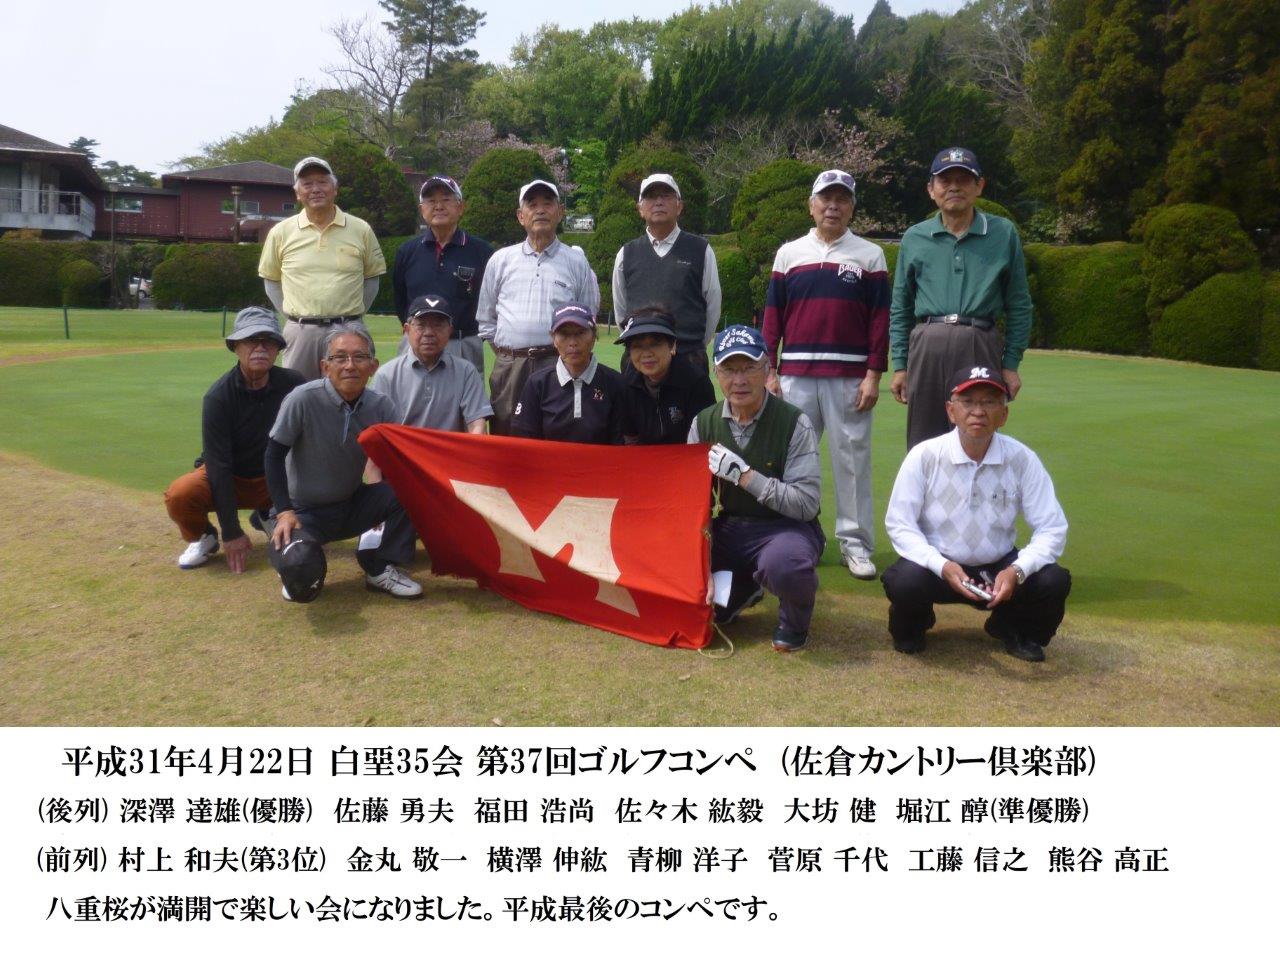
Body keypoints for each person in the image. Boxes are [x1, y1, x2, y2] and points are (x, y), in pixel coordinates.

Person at [881, 366, 1071, 662]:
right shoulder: (924, 455)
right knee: (904, 581)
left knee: (1054, 580)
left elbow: (1052, 527)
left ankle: (1012, 628)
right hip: (939, 567)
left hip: (999, 569)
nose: (978, 411)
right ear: (951, 411)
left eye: (989, 402)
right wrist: (941, 565)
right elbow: (899, 523)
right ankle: (915, 625)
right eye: (967, 402)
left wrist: (1017, 570)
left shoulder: (1022, 459)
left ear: (1003, 415)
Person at [763, 169, 890, 580]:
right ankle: (793, 538)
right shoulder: (789, 253)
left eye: (842, 199)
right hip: (795, 374)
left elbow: (880, 320)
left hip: (849, 376)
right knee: (792, 461)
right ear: (811, 205)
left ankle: (856, 545)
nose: (833, 206)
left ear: (852, 207)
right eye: (826, 199)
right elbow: (773, 316)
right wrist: (769, 370)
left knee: (852, 461)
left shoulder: (870, 255)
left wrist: (873, 374)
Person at [688, 325, 825, 653]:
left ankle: (794, 623)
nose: (739, 380)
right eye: (729, 369)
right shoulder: (703, 423)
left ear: (766, 369)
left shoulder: (794, 422)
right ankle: (745, 589)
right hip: (732, 527)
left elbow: (806, 503)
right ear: (716, 373)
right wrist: (698, 561)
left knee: (785, 566)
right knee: (702, 599)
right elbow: (691, 502)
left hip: (787, 528)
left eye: (749, 367)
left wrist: (746, 476)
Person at [888, 147, 1033, 448]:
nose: (954, 187)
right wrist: (900, 365)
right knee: (924, 442)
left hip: (979, 340)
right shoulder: (915, 237)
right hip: (927, 343)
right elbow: (901, 306)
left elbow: (1019, 304)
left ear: (979, 186)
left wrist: (1011, 363)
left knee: (977, 433)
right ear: (931, 189)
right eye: (945, 180)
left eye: (964, 180)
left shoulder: (1003, 233)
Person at [264, 328, 422, 601]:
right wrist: (285, 512)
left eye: (359, 357)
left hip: (350, 503)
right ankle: (298, 558)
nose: (350, 365)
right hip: (302, 512)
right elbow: (273, 455)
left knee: (411, 492)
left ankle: (378, 567)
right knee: (301, 572)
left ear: (373, 367)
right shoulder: (302, 398)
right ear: (325, 366)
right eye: (340, 357)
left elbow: (402, 455)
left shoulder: (380, 406)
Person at [164, 307, 305, 571]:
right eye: (251, 340)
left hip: (278, 478)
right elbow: (219, 466)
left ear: (278, 348)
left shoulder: (294, 384)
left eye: (268, 341)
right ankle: (204, 536)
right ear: (235, 346)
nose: (260, 348)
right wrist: (231, 531)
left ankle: (269, 513)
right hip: (231, 477)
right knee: (180, 494)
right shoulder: (218, 397)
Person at [476, 179, 600, 434]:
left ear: (560, 212)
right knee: (507, 434)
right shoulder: (500, 260)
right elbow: (486, 320)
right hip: (511, 365)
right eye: (532, 205)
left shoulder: (576, 262)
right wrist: (509, 353)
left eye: (548, 203)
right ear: (520, 216)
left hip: (558, 363)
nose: (540, 210)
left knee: (557, 435)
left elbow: (588, 316)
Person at [258, 156, 386, 381]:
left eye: (322, 182)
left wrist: (352, 317)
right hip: (301, 333)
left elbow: (372, 280)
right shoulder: (280, 232)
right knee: (298, 394)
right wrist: (294, 316)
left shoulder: (361, 229)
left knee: (349, 392)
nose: (315, 189)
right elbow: (271, 281)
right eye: (307, 184)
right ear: (297, 193)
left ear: (335, 188)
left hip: (349, 329)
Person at [611, 173, 721, 375]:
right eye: (651, 196)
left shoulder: (701, 249)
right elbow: (620, 312)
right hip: (639, 366)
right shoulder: (626, 253)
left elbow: (712, 308)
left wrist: (691, 345)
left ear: (679, 206)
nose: (659, 202)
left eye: (666, 195)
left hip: (688, 362)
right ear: (640, 209)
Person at [391, 174, 493, 374]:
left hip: (463, 344)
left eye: (446, 199)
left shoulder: (482, 252)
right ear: (422, 209)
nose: (438, 206)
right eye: (431, 201)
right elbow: (400, 301)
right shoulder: (407, 252)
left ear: (460, 207)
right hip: (416, 344)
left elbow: (489, 303)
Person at [373, 294, 492, 433]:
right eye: (421, 325)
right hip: (401, 447)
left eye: (438, 325)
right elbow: (374, 426)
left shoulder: (465, 372)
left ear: (450, 331)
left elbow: (477, 425)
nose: (429, 333)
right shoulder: (387, 375)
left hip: (448, 447)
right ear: (407, 330)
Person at [511, 303, 626, 444]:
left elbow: (621, 442)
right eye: (564, 334)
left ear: (593, 336)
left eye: (580, 333)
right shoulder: (537, 383)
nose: (573, 342)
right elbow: (525, 439)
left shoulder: (615, 382)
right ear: (553, 339)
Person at [615, 307, 715, 444]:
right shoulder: (627, 384)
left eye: (655, 344)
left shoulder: (696, 383)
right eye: (637, 346)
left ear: (672, 346)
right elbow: (630, 438)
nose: (646, 354)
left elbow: (706, 439)